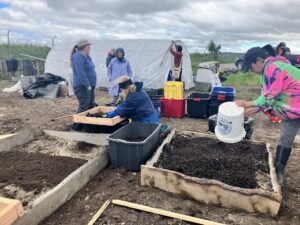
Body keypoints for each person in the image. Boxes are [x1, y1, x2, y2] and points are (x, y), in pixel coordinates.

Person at [235, 47, 300, 186]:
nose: (251, 71)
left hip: (296, 106)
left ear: (258, 60)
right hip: (292, 112)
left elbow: (269, 96)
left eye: (251, 67)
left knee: (285, 140)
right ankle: (279, 171)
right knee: (285, 140)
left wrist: (247, 103)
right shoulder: (264, 75)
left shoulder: (274, 68)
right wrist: (247, 113)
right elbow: (268, 101)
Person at [70, 39, 97, 131]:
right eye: (88, 46)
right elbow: (80, 72)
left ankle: (87, 126)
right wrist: (87, 84)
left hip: (89, 86)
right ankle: (75, 128)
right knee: (84, 106)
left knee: (90, 106)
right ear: (84, 47)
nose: (90, 48)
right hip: (82, 86)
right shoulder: (78, 56)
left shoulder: (87, 57)